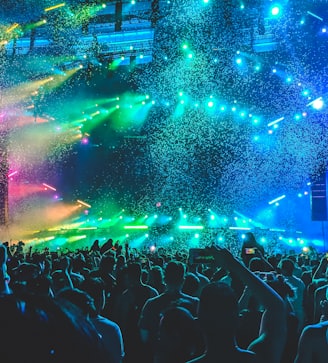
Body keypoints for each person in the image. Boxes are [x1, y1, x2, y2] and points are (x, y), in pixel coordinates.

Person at [188, 247, 286, 363]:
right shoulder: (255, 359)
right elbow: (277, 306)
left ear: (198, 323)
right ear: (239, 320)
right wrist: (232, 263)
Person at [139, 261, 199, 362]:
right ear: (183, 280)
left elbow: (144, 336)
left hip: (160, 357)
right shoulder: (195, 304)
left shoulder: (151, 304)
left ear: (164, 279)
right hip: (188, 358)